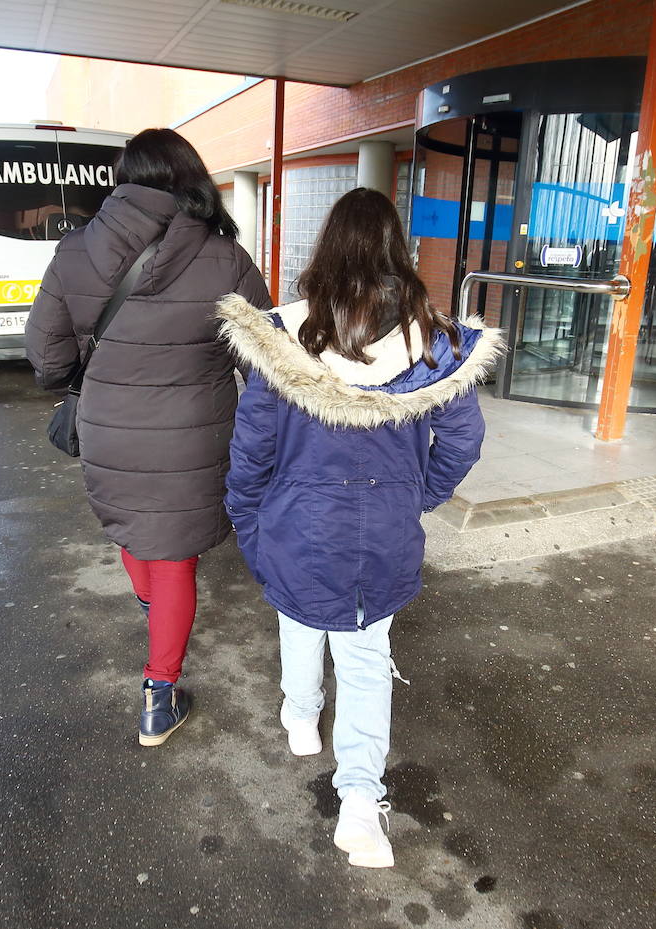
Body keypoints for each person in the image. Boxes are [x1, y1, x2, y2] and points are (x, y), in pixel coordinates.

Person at [216, 188, 500, 869]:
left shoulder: (280, 341)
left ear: (326, 252)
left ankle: (299, 716)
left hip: (295, 527)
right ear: (396, 254)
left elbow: (251, 451)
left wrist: (246, 517)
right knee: (366, 659)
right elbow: (461, 445)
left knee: (298, 617)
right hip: (383, 537)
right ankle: (360, 809)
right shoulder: (435, 348)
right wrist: (414, 495)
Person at [25, 128, 271, 747]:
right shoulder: (227, 258)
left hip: (109, 432)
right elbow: (265, 363)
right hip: (194, 439)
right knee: (174, 558)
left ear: (123, 179)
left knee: (136, 532)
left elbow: (47, 361)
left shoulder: (73, 252)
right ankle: (159, 698)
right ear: (190, 176)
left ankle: (153, 609)